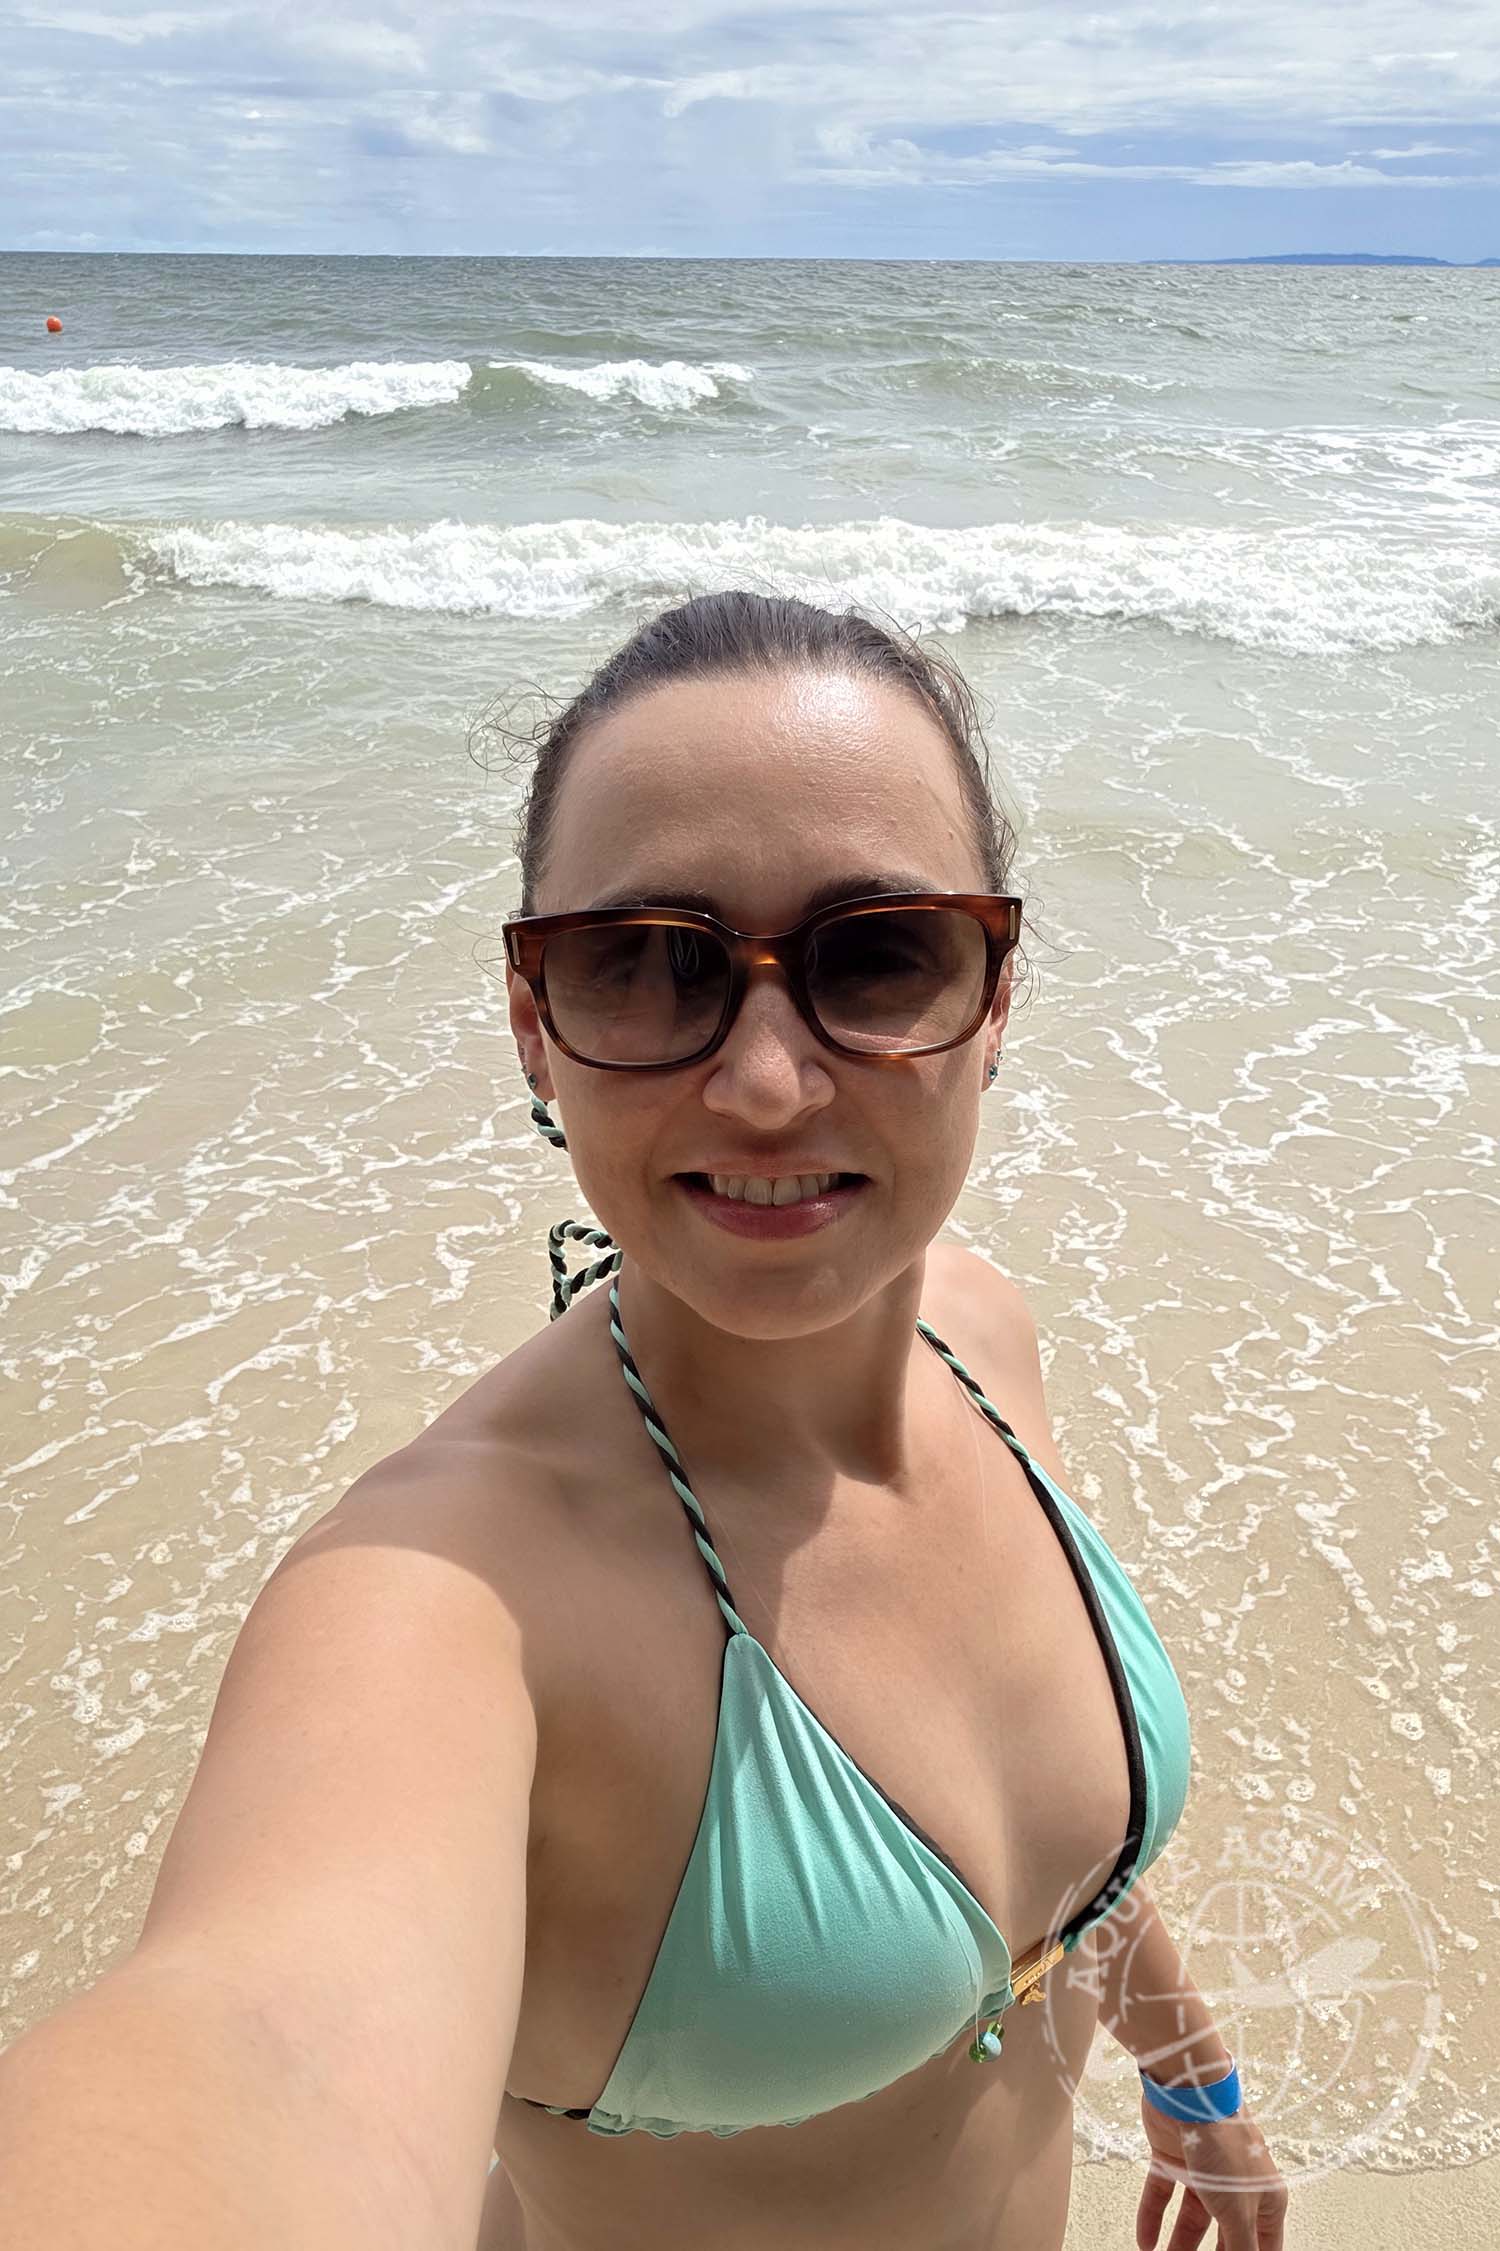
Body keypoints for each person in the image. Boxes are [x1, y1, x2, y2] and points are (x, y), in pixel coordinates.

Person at [0, 592, 1288, 2251]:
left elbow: (1056, 1858)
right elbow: (257, 2051)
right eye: (648, 966)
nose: (765, 1085)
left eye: (880, 952)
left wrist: (1192, 2075)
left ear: (994, 996)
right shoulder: (445, 1605)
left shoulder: (983, 1334)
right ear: (535, 1025)